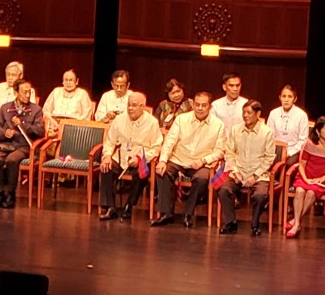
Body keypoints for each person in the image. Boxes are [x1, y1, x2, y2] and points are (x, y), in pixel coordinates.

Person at [151, 90, 224, 228]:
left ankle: (188, 213)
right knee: (163, 171)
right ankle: (166, 213)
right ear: (193, 104)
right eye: (197, 104)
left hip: (200, 163)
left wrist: (204, 160)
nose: (200, 108)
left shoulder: (218, 124)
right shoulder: (181, 119)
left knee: (202, 179)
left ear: (210, 107)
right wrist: (163, 160)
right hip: (178, 159)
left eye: (204, 105)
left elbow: (220, 151)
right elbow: (169, 141)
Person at [98, 92, 162, 220]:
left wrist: (140, 159)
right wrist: (107, 156)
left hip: (140, 158)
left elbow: (156, 148)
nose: (130, 108)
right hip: (121, 156)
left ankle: (129, 205)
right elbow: (110, 141)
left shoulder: (152, 122)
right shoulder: (119, 120)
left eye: (134, 105)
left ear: (142, 106)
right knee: (106, 168)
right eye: (129, 105)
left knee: (141, 174)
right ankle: (110, 207)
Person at [218, 99, 275, 236]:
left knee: (260, 195)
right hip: (238, 172)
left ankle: (255, 225)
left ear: (258, 114)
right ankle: (230, 223)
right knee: (223, 189)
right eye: (244, 112)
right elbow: (229, 153)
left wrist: (255, 176)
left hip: (258, 175)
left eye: (249, 112)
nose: (245, 115)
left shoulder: (267, 132)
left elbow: (269, 158)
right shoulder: (235, 130)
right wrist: (235, 171)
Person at [287, 116, 325, 238]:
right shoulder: (309, 144)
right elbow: (301, 164)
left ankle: (296, 221)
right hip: (307, 177)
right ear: (318, 132)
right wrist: (305, 179)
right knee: (299, 190)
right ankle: (297, 223)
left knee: (311, 192)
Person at [0, 80, 45, 209]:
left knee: (11, 160)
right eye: (24, 92)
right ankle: (0, 193)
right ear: (15, 92)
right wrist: (4, 133)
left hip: (23, 145)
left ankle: (10, 194)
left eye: (29, 92)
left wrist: (23, 124)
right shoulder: (5, 108)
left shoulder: (36, 110)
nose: (27, 95)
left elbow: (40, 131)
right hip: (6, 144)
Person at [42, 69, 94, 136]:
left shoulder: (82, 94)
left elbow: (86, 116)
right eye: (66, 80)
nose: (68, 83)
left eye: (71, 80)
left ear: (77, 81)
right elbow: (46, 111)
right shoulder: (56, 91)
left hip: (74, 129)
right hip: (54, 127)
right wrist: (51, 121)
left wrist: (73, 125)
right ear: (63, 81)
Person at [266, 84, 309, 166]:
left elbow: (303, 141)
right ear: (280, 98)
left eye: (290, 97)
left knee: (287, 164)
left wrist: (289, 153)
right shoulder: (273, 113)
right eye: (284, 96)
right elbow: (269, 136)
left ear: (295, 99)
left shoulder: (302, 115)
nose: (286, 100)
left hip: (293, 151)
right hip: (275, 150)